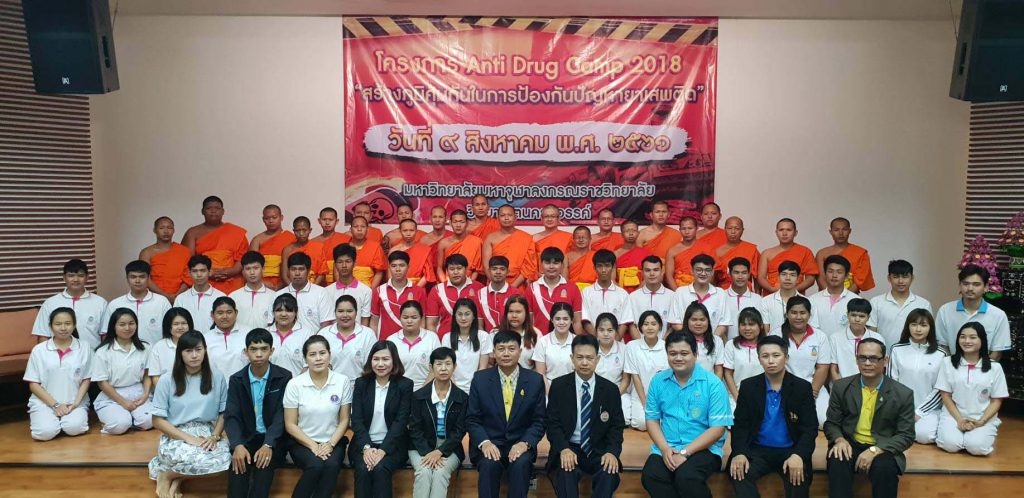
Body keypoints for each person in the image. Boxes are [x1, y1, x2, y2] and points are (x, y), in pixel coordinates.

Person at [641, 330, 732, 498]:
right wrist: (665, 449)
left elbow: (718, 429)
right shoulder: (658, 381)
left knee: (687, 477)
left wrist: (684, 453)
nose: (678, 358)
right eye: (673, 353)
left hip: (704, 448)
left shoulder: (713, 384)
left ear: (695, 354)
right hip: (668, 446)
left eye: (684, 353)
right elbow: (652, 420)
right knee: (651, 476)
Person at [824, 338, 915, 498]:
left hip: (883, 446)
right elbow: (831, 423)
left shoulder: (903, 393)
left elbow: (906, 435)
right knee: (837, 461)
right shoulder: (841, 387)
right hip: (849, 443)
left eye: (873, 358)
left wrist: (875, 450)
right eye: (862, 358)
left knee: (884, 468)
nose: (867, 363)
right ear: (856, 359)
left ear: (885, 361)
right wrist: (839, 439)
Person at [729, 334, 817, 498]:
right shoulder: (748, 386)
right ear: (759, 359)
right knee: (739, 472)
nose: (771, 361)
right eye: (765, 356)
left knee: (798, 478)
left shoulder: (802, 388)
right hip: (757, 450)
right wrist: (739, 452)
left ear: (786, 358)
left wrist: (798, 455)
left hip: (791, 449)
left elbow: (810, 428)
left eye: (776, 355)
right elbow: (740, 425)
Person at [148, 330, 231, 498]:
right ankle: (168, 474)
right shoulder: (166, 380)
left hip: (207, 432)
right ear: (180, 353)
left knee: (224, 463)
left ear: (205, 350)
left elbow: (224, 412)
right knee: (187, 457)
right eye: (188, 351)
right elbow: (157, 420)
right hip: (176, 433)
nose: (194, 355)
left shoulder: (217, 376)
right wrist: (188, 438)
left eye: (198, 350)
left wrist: (215, 436)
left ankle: (171, 475)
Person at [467, 331, 547, 498]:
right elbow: (472, 419)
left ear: (520, 351)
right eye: (501, 349)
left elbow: (539, 421)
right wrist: (485, 443)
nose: (506, 353)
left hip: (520, 443)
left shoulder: (534, 380)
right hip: (490, 442)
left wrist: (525, 443)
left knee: (520, 464)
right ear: (494, 352)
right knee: (489, 464)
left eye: (511, 349)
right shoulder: (480, 379)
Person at [547, 334, 624, 498]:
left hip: (598, 450)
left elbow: (616, 427)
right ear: (572, 358)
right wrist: (563, 448)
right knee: (565, 472)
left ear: (597, 359)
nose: (584, 362)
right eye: (579, 357)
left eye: (589, 358)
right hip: (569, 446)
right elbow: (552, 424)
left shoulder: (610, 390)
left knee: (608, 472)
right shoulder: (559, 386)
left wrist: (612, 452)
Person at [225, 329, 292, 498]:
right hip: (246, 440)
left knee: (262, 478)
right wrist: (237, 445)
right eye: (253, 349)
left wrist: (268, 444)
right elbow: (232, 416)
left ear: (272, 350)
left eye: (264, 349)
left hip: (273, 440)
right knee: (237, 479)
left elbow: (281, 415)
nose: (259, 354)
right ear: (246, 352)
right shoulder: (236, 379)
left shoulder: (284, 377)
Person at [283, 335, 351, 498]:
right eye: (312, 354)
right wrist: (313, 445)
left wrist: (330, 444)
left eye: (322, 353)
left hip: (333, 441)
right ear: (305, 358)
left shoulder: (342, 381)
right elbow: (290, 424)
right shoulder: (295, 384)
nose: (318, 358)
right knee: (316, 465)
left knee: (332, 465)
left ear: (329, 355)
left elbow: (344, 419)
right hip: (302, 442)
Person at [349, 340, 414, 498]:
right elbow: (356, 419)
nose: (380, 364)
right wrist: (367, 448)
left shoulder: (405, 385)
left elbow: (401, 422)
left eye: (385, 359)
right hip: (363, 444)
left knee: (381, 468)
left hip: (394, 445)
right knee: (363, 469)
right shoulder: (361, 383)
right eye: (376, 359)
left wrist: (383, 450)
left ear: (394, 361)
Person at [935, 322, 1008, 456]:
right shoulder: (947, 362)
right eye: (963, 337)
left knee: (977, 448)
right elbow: (945, 395)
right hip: (954, 415)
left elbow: (996, 400)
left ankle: (971, 438)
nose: (967, 341)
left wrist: (982, 421)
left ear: (982, 340)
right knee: (950, 445)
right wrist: (959, 419)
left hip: (982, 417)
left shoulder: (995, 367)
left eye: (973, 337)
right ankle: (961, 437)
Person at [25, 307, 93, 440]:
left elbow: (86, 379)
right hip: (45, 403)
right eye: (58, 324)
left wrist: (76, 403)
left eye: (67, 323)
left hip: (74, 401)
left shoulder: (84, 347)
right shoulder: (39, 350)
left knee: (75, 428)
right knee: (45, 433)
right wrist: (55, 405)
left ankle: (62, 421)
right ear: (50, 326)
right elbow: (33, 384)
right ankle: (53, 422)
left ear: (74, 325)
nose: (63, 328)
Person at [409, 347, 468, 498]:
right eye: (439, 364)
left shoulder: (462, 398)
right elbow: (415, 429)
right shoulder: (418, 396)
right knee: (424, 470)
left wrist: (440, 451)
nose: (443, 368)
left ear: (454, 367)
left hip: (450, 448)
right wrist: (428, 453)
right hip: (420, 447)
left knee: (441, 471)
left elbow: (459, 431)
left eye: (448, 364)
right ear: (431, 367)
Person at [769, 296, 832, 427]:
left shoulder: (820, 336)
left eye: (802, 313)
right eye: (794, 312)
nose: (798, 317)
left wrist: (812, 394)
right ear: (787, 314)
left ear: (809, 314)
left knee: (824, 421)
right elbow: (772, 367)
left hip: (811, 387)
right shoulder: (775, 335)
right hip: (782, 387)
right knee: (782, 421)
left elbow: (822, 368)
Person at [888, 309, 947, 444]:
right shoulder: (896, 349)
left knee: (924, 436)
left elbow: (940, 389)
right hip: (901, 407)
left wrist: (919, 412)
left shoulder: (940, 354)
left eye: (923, 325)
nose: (918, 329)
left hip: (929, 409)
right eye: (914, 324)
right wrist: (904, 410)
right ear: (908, 326)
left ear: (930, 328)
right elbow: (891, 382)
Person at [92, 308, 153, 434]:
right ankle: (126, 419)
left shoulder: (145, 347)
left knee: (149, 421)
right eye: (122, 324)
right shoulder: (103, 351)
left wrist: (146, 395)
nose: (127, 328)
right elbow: (102, 382)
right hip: (112, 395)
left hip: (138, 392)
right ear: (113, 327)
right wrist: (123, 402)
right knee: (120, 425)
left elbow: (147, 374)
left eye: (131, 323)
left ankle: (133, 419)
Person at [935, 264, 1011, 360]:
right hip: (952, 366)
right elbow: (943, 347)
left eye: (976, 284)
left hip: (985, 367)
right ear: (960, 285)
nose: (970, 288)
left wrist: (979, 368)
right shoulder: (945, 311)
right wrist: (953, 366)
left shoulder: (998, 315)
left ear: (986, 287)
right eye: (965, 284)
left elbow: (996, 353)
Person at [31, 259, 108, 350]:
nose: (76, 279)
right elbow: (43, 335)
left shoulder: (100, 303)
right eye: (71, 275)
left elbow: (105, 335)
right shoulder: (50, 303)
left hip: (91, 354)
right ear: (64, 277)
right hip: (58, 355)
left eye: (81, 275)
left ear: (87, 277)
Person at [182, 195, 249, 294]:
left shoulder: (236, 232)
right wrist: (208, 272)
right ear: (202, 211)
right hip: (203, 279)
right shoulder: (192, 233)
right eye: (209, 208)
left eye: (217, 208)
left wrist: (232, 271)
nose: (213, 211)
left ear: (223, 211)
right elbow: (187, 259)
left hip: (233, 280)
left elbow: (243, 258)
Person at [102, 259, 172, 346]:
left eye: (142, 277)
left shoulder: (162, 302)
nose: (137, 281)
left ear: (148, 278)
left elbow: (171, 331)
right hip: (124, 352)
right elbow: (106, 334)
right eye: (133, 277)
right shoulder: (115, 304)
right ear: (127, 279)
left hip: (155, 352)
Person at [868, 260, 932, 347]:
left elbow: (928, 333)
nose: (900, 281)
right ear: (889, 278)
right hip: (884, 354)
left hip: (915, 354)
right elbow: (871, 333)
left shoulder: (923, 304)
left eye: (905, 277)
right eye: (896, 277)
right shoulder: (876, 302)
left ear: (912, 278)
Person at [317, 295, 376, 388]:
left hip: (359, 388)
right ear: (335, 313)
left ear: (356, 313)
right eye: (340, 311)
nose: (345, 315)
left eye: (349, 311)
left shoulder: (368, 334)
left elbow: (371, 366)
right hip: (329, 387)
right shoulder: (324, 334)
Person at [623, 311, 669, 431]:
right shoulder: (632, 346)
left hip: (662, 397)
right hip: (640, 396)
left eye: (653, 324)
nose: (649, 327)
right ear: (640, 327)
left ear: (660, 326)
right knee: (642, 423)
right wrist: (645, 404)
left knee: (666, 423)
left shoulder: (667, 346)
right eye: (646, 324)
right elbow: (635, 377)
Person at [669, 254, 732, 339]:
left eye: (707, 270)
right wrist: (690, 339)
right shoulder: (680, 292)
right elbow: (675, 322)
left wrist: (710, 340)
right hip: (686, 342)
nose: (703, 273)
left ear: (712, 272)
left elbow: (723, 323)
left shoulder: (720, 294)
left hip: (712, 343)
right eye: (699, 270)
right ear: (692, 271)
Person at [371, 250, 427, 340]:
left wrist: (419, 342)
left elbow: (422, 321)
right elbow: (374, 322)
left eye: (402, 265)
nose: (397, 269)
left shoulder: (419, 291)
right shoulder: (378, 291)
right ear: (389, 267)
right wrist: (375, 343)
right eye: (393, 266)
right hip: (386, 342)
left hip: (411, 343)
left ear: (408, 267)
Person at [527, 247, 584, 334]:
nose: (551, 267)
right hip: (539, 340)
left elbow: (576, 322)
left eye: (555, 263)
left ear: (562, 265)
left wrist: (579, 341)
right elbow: (528, 322)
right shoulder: (531, 289)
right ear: (541, 264)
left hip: (566, 340)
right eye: (547, 263)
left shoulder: (573, 288)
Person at [387, 301, 441, 390]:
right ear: (400, 318)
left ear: (421, 318)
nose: (409, 321)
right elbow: (388, 369)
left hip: (426, 389)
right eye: (405, 317)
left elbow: (437, 366)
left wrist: (423, 391)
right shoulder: (391, 340)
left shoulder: (432, 338)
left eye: (414, 317)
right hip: (398, 390)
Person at [274, 252, 334, 333]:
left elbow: (325, 326)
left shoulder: (321, 293)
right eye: (293, 269)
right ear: (288, 271)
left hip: (314, 340)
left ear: (308, 271)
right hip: (286, 340)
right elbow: (273, 324)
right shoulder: (278, 295)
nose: (297, 273)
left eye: (301, 269)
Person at [482, 205, 538, 289]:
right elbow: (486, 266)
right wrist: (497, 284)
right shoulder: (490, 238)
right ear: (498, 218)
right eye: (502, 215)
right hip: (495, 284)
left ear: (515, 217)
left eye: (510, 215)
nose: (506, 218)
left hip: (518, 285)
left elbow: (528, 267)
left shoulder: (526, 238)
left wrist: (512, 287)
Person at [443, 298, 492, 393]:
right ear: (455, 316)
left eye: (467, 314)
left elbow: (482, 368)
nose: (463, 318)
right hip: (452, 388)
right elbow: (447, 367)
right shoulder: (447, 338)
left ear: (474, 316)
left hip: (476, 388)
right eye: (459, 314)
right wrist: (455, 391)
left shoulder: (483, 336)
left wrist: (474, 389)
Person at [757, 219, 818, 294]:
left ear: (795, 233)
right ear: (776, 232)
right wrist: (772, 290)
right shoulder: (767, 253)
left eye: (789, 230)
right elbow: (761, 278)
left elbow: (810, 279)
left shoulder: (805, 252)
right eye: (781, 230)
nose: (784, 233)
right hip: (772, 294)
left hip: (796, 295)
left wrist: (793, 290)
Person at [581, 250, 633, 337]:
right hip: (594, 341)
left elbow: (625, 322)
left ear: (613, 267)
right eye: (600, 266)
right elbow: (585, 320)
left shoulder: (622, 294)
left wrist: (616, 339)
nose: (603, 270)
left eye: (607, 266)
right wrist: (598, 339)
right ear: (594, 268)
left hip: (616, 342)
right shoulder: (586, 292)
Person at [426, 254, 483, 333]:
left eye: (459, 268)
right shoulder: (437, 290)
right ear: (447, 271)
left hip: (472, 338)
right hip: (444, 338)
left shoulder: (479, 288)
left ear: (466, 269)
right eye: (452, 269)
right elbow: (431, 325)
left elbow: (480, 323)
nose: (456, 272)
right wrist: (436, 340)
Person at [815, 217, 875, 293]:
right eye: (836, 230)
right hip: (825, 296)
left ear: (849, 231)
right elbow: (821, 279)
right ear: (831, 232)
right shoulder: (822, 254)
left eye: (844, 229)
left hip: (851, 296)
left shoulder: (861, 253)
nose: (841, 233)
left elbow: (859, 280)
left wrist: (845, 297)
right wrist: (830, 296)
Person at [830, 299, 885, 380]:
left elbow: (881, 366)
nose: (857, 319)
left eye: (862, 316)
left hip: (870, 384)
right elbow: (833, 369)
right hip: (842, 384)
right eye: (853, 315)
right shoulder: (835, 338)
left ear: (868, 317)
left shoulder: (877, 338)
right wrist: (840, 386)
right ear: (847, 315)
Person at [758, 261, 818, 332]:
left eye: (792, 275)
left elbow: (813, 329)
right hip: (773, 339)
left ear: (798, 279)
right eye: (784, 274)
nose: (788, 278)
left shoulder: (809, 302)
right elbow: (765, 331)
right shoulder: (766, 301)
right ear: (778, 277)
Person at [593, 313, 631, 425]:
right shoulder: (590, 347)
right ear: (596, 331)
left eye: (610, 330)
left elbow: (626, 379)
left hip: (618, 392)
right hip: (594, 392)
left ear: (616, 331)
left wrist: (614, 395)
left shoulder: (624, 349)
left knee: (625, 419)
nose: (606, 334)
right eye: (601, 330)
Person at [141, 216, 192, 300]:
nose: (166, 231)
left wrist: (177, 295)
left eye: (169, 228)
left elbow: (189, 276)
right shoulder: (146, 253)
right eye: (161, 228)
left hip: (180, 296)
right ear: (154, 230)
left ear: (174, 230)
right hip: (155, 297)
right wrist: (166, 296)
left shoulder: (184, 251)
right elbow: (145, 278)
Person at [723, 307, 766, 407]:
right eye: (743, 324)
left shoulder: (768, 345)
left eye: (751, 324)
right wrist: (738, 399)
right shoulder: (731, 345)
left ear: (761, 326)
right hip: (736, 398)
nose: (747, 328)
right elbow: (728, 373)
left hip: (764, 397)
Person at [173, 255, 227, 333]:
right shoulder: (181, 299)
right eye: (195, 271)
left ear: (210, 272)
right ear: (189, 273)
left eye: (203, 271)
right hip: (188, 340)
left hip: (214, 339)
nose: (199, 275)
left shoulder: (221, 297)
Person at [625, 256, 675, 339]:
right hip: (638, 344)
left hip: (665, 344)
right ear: (642, 273)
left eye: (656, 270)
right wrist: (641, 344)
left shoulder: (672, 296)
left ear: (662, 271)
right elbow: (631, 325)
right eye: (647, 270)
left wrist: (662, 344)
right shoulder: (633, 297)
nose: (652, 274)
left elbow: (672, 326)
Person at [248, 204, 296, 290]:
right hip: (261, 284)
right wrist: (262, 282)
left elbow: (296, 264)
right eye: (267, 218)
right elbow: (250, 265)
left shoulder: (292, 238)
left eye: (274, 217)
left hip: (286, 284)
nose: (271, 221)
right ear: (263, 219)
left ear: (281, 217)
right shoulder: (257, 240)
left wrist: (284, 283)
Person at [808, 255, 856, 337]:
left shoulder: (855, 300)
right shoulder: (812, 300)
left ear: (847, 276)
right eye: (830, 271)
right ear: (825, 273)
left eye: (839, 272)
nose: (834, 275)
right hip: (818, 344)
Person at [535, 302, 577, 393]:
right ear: (552, 320)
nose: (561, 322)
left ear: (571, 320)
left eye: (565, 319)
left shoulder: (578, 341)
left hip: (574, 390)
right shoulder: (542, 342)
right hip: (549, 389)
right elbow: (541, 374)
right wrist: (550, 395)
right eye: (557, 319)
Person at [327, 243, 373, 326]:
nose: (344, 266)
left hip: (358, 333)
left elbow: (365, 322)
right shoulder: (326, 292)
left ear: (355, 263)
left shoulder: (366, 291)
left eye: (348, 261)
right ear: (335, 265)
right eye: (340, 262)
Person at [267, 293, 312, 378]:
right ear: (273, 312)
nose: (283, 314)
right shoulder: (266, 333)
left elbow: (309, 364)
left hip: (299, 384)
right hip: (270, 385)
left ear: (296, 312)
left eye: (289, 310)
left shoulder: (307, 334)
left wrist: (294, 384)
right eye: (279, 310)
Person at [204, 296, 249, 380]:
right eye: (220, 313)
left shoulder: (248, 334)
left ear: (236, 313)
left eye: (229, 312)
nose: (224, 316)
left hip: (243, 385)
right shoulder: (205, 338)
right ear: (212, 315)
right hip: (214, 385)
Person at [148, 308, 195, 387]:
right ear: (168, 326)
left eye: (184, 323)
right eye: (176, 324)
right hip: (166, 390)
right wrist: (164, 392)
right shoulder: (159, 347)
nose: (180, 327)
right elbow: (155, 377)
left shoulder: (197, 343)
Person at [229, 252, 275, 331]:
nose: (252, 272)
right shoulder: (233, 296)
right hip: (240, 337)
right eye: (248, 269)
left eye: (256, 268)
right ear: (243, 271)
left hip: (265, 338)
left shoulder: (274, 296)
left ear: (263, 269)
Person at [679, 302, 726, 379]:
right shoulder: (679, 340)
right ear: (687, 321)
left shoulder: (717, 341)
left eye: (702, 319)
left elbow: (718, 370)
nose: (698, 323)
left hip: (710, 385)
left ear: (708, 321)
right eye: (694, 319)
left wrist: (715, 386)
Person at [712, 217, 760, 290]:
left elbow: (756, 277)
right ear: (725, 229)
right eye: (729, 228)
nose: (733, 232)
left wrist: (758, 295)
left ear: (742, 230)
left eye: (737, 228)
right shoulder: (717, 251)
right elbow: (713, 278)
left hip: (745, 290)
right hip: (723, 291)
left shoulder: (751, 249)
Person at [436, 209, 483, 282]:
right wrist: (445, 283)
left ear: (467, 223)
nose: (458, 225)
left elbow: (477, 269)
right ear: (450, 223)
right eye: (455, 222)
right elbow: (439, 268)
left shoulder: (477, 241)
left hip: (469, 281)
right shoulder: (443, 243)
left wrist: (469, 283)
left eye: (462, 222)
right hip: (449, 281)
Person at [477, 256, 522, 331]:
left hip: (511, 335)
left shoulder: (516, 293)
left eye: (502, 269)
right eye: (494, 269)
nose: (498, 272)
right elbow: (480, 326)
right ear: (489, 271)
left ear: (508, 272)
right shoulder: (480, 294)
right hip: (488, 336)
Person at [497, 295, 543, 369]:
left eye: (518, 312)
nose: (514, 315)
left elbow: (539, 366)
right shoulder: (496, 333)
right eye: (510, 311)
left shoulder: (536, 334)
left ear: (526, 313)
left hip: (529, 375)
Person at [724, 257, 763, 340]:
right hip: (724, 345)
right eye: (736, 272)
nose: (740, 276)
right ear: (729, 274)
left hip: (752, 345)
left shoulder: (758, 300)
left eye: (744, 273)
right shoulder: (721, 297)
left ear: (749, 274)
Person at [664, 216, 706, 291]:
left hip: (701, 288)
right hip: (678, 288)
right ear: (680, 230)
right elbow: (669, 276)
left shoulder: (706, 248)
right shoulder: (672, 251)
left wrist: (703, 291)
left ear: (697, 228)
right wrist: (678, 293)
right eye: (683, 229)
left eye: (690, 228)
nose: (687, 232)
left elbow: (711, 272)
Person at [390, 219, 436, 287]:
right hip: (397, 287)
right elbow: (390, 273)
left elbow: (427, 274)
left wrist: (415, 289)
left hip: (418, 287)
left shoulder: (425, 250)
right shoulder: (393, 250)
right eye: (405, 230)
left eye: (411, 230)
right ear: (400, 231)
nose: (408, 233)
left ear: (416, 231)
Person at [282, 216, 325, 287]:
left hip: (314, 286)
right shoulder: (288, 250)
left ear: (310, 230)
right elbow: (285, 275)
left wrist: (312, 289)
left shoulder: (319, 247)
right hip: (293, 288)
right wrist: (293, 289)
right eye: (298, 230)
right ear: (294, 231)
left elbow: (322, 273)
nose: (301, 233)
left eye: (304, 230)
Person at [534, 204, 575, 278]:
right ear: (541, 219)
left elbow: (572, 261)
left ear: (558, 218)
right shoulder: (534, 239)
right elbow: (531, 264)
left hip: (563, 278)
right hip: (540, 278)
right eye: (546, 216)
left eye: (553, 216)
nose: (549, 219)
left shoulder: (569, 237)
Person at [348, 216, 388, 287]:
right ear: (350, 229)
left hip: (368, 287)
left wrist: (371, 290)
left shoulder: (375, 247)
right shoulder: (345, 246)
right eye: (356, 226)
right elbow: (337, 269)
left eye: (363, 227)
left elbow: (379, 273)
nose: (359, 229)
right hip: (346, 286)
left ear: (367, 229)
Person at [614, 220, 652, 292]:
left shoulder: (646, 254)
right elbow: (611, 278)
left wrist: (636, 293)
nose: (631, 233)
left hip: (641, 291)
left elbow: (649, 276)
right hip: (620, 292)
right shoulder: (615, 254)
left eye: (634, 231)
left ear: (638, 233)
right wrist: (621, 293)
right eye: (627, 231)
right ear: (621, 234)